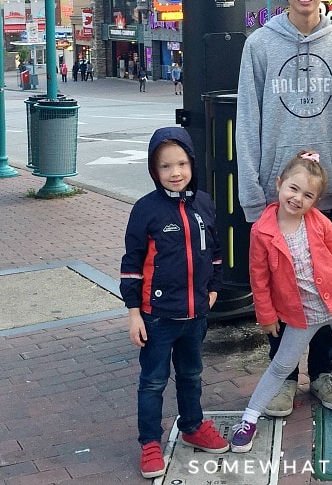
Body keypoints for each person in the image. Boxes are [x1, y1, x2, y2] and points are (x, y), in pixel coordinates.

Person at [236, 0, 332, 418]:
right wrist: (253, 196)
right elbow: (248, 121)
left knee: (325, 287)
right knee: (287, 289)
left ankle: (325, 373)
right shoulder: (260, 45)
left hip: (329, 196)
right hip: (279, 195)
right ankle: (284, 377)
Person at [230, 151, 332, 452]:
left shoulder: (319, 222)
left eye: (308, 195)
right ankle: (249, 418)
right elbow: (258, 279)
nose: (298, 198)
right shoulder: (261, 231)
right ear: (279, 184)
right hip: (301, 315)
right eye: (293, 189)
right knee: (280, 365)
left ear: (316, 201)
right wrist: (266, 315)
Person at [119, 127, 229, 478]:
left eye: (182, 163)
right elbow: (132, 264)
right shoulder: (145, 210)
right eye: (166, 166)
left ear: (192, 163)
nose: (176, 172)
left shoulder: (205, 204)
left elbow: (215, 253)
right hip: (156, 317)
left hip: (196, 313)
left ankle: (192, 425)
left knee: (191, 374)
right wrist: (134, 312)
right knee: (153, 380)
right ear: (154, 170)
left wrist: (212, 290)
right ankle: (150, 441)